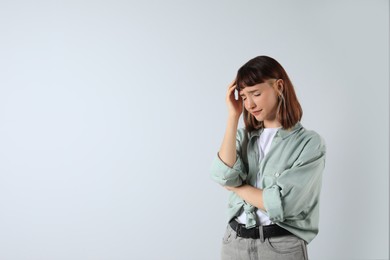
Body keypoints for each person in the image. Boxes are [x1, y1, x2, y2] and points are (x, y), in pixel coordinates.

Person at [210, 55, 326, 260]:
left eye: (255, 93)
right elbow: (221, 173)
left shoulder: (309, 143)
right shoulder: (243, 137)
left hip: (280, 246)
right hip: (233, 242)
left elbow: (282, 204)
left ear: (279, 86)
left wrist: (237, 187)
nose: (249, 104)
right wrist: (232, 117)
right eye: (244, 96)